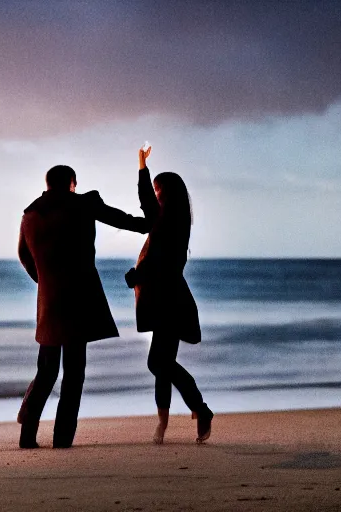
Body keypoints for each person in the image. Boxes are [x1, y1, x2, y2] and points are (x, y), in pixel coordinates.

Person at [17, 164, 149, 449]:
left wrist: (43, 282)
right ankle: (62, 439)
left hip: (49, 300)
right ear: (72, 183)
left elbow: (23, 255)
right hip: (78, 298)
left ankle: (27, 434)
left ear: (48, 184)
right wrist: (154, 224)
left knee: (46, 369)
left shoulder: (29, 215)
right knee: (74, 372)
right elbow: (123, 221)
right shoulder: (83, 204)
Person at [125, 146, 213, 444]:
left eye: (156, 189)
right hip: (168, 299)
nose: (153, 194)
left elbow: (160, 262)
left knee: (158, 363)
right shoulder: (171, 221)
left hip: (169, 301)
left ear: (165, 193)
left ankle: (198, 409)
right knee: (161, 363)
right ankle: (166, 424)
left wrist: (141, 166)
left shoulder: (168, 222)